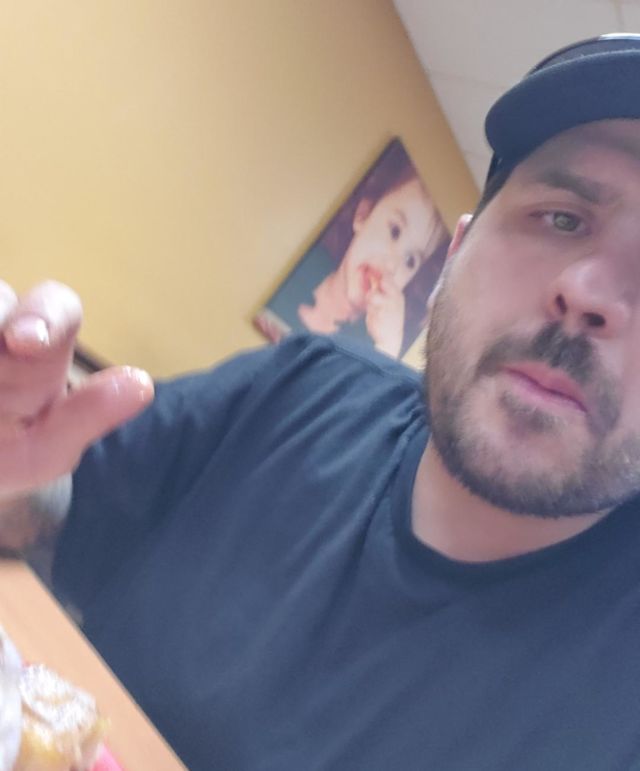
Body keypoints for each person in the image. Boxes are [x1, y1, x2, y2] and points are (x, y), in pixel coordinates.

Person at [3, 33, 640, 771]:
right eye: (562, 218)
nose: (589, 294)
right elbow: (55, 512)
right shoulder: (298, 387)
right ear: (455, 256)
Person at [257, 140, 449, 358]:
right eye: (394, 231)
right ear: (363, 215)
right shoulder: (299, 269)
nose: (392, 265)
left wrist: (388, 345)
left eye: (410, 261)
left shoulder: (368, 349)